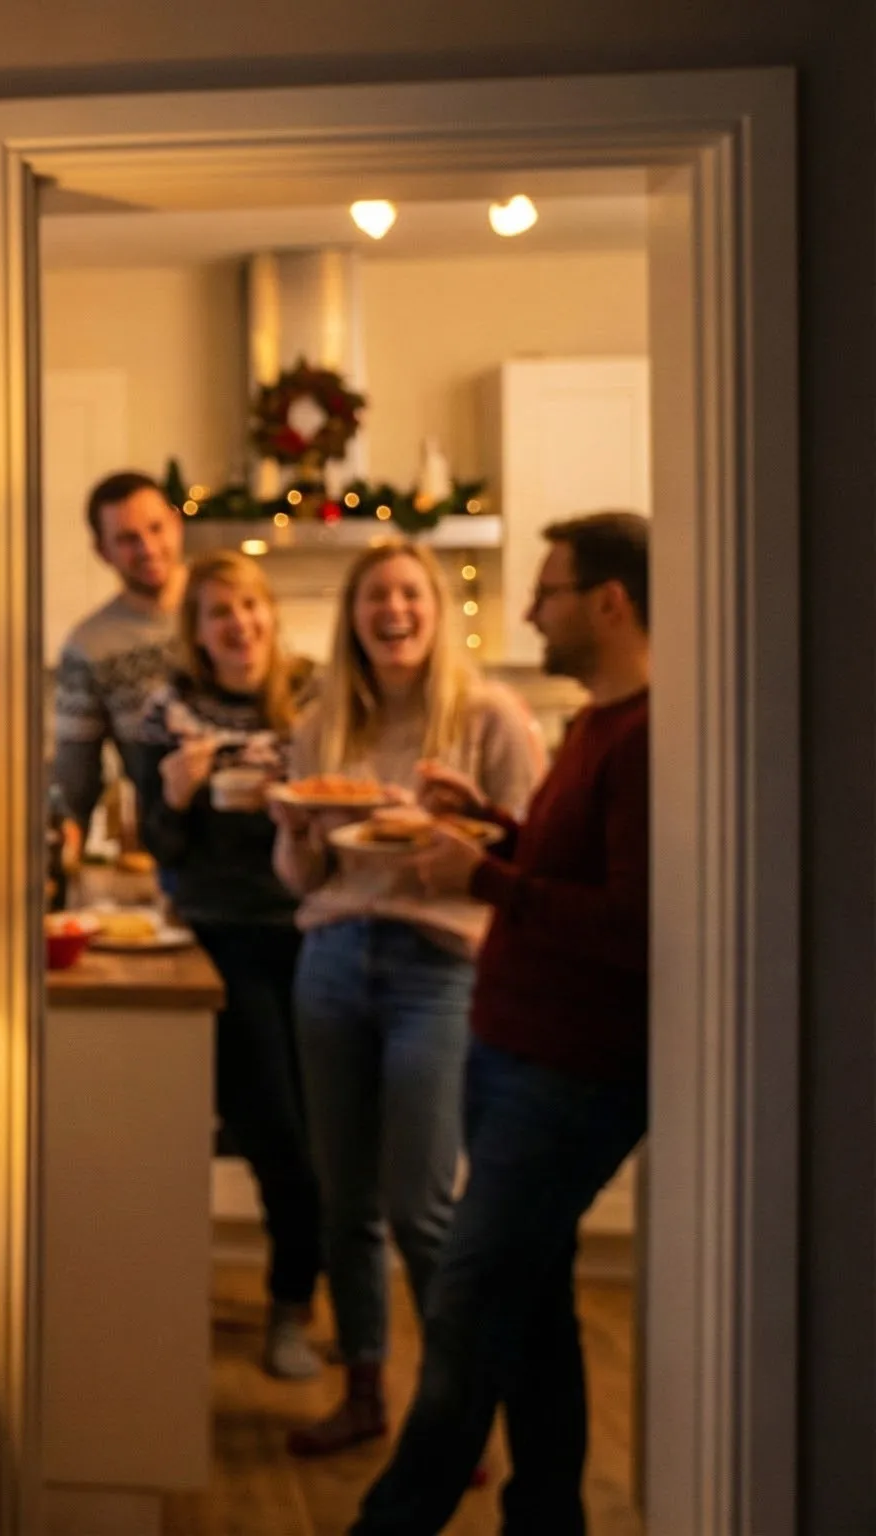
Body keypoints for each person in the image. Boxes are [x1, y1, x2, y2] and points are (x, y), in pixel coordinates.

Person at [352, 513, 654, 1535]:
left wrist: (480, 874)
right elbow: (565, 867)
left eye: (547, 591)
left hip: (568, 1074)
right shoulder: (597, 722)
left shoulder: (646, 736)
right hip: (515, 1053)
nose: (527, 610)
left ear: (608, 603)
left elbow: (633, 925)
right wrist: (489, 824)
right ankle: (546, 1516)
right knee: (533, 1310)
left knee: (466, 1307)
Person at [269, 542, 546, 1457]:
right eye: (375, 597)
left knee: (423, 1205)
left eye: (409, 594)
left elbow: (527, 857)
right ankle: (364, 1393)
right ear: (352, 617)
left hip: (438, 966)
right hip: (332, 958)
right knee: (343, 1199)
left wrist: (446, 836)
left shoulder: (490, 717)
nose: (393, 611)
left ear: (436, 608)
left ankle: (455, 1416)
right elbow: (304, 877)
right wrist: (295, 830)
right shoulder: (323, 725)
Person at [123, 551, 327, 1382]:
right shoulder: (166, 713)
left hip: (319, 931)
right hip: (223, 940)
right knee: (278, 1131)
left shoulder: (315, 698)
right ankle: (288, 1308)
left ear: (270, 614)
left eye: (248, 607)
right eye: (218, 613)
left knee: (328, 1134)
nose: (238, 625)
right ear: (198, 633)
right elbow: (159, 845)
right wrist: (174, 794)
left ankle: (318, 1301)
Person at [52, 470, 186, 838]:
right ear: (102, 551)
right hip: (163, 841)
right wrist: (65, 839)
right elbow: (75, 778)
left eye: (156, 528)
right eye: (127, 539)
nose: (148, 548)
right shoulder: (90, 645)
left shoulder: (230, 609)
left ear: (176, 524)